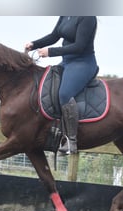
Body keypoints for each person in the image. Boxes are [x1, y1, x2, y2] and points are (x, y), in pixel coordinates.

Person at [25, 16, 99, 154]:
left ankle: (71, 142)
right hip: (66, 62)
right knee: (46, 86)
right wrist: (34, 44)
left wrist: (51, 52)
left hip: (83, 63)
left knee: (64, 94)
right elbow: (54, 36)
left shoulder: (88, 17)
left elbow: (79, 46)